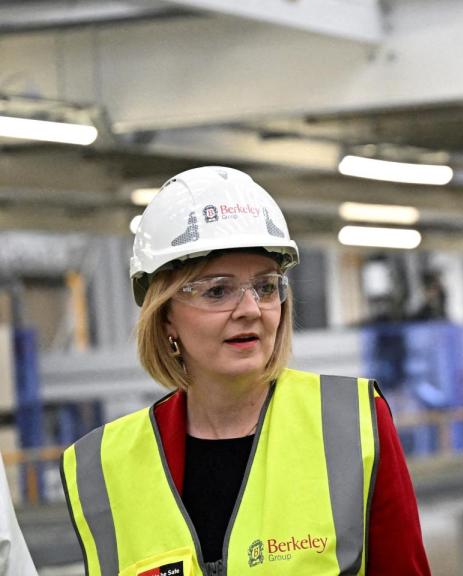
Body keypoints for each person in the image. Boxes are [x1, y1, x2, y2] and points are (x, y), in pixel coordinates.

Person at [60, 166, 430, 575]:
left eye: (266, 287)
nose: (251, 309)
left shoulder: (352, 424)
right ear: (165, 316)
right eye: (218, 290)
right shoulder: (106, 466)